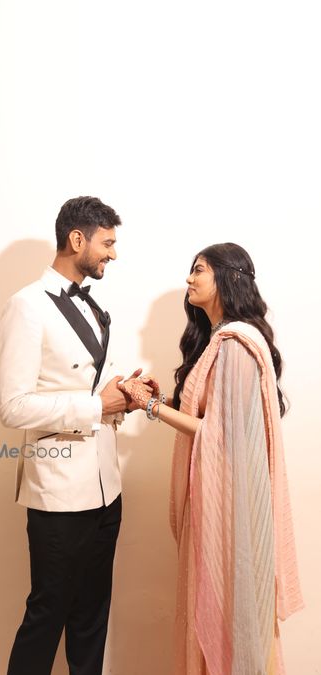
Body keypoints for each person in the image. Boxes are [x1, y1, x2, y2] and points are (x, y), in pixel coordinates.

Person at [120, 243, 303, 675]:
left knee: (227, 612)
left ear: (227, 277)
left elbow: (220, 435)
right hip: (218, 500)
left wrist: (149, 407)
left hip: (229, 510)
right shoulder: (222, 341)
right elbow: (213, 417)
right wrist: (164, 400)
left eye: (199, 270)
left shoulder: (236, 344)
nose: (189, 278)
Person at [0, 196, 145, 675]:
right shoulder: (26, 306)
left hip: (106, 488)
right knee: (47, 617)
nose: (113, 254)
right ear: (77, 239)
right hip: (58, 494)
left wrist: (122, 395)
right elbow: (13, 407)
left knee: (91, 618)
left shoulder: (94, 306)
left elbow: (84, 387)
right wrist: (97, 406)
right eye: (108, 243)